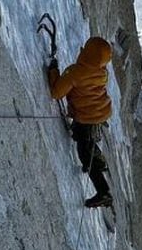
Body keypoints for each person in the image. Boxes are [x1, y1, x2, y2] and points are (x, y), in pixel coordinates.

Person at [47, 36, 114, 208]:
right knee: (85, 138)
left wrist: (53, 71)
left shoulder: (76, 72)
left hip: (86, 116)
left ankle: (103, 191)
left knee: (84, 151)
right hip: (100, 112)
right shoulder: (102, 73)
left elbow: (56, 92)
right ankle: (98, 161)